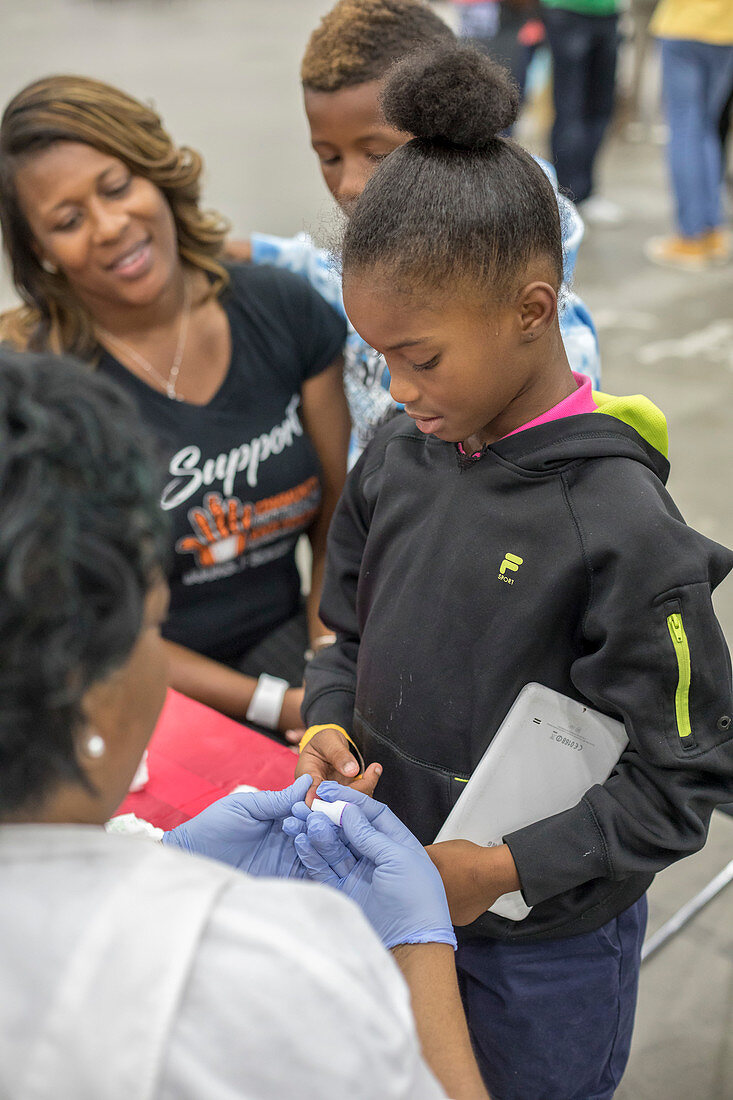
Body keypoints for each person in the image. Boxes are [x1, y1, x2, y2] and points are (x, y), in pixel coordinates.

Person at [295, 43, 733, 1099]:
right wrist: (324, 720)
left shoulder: (623, 529)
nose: (398, 390)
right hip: (389, 896)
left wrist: (499, 870)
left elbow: (684, 780)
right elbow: (344, 628)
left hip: (542, 960)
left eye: (423, 357)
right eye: (381, 357)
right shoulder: (398, 453)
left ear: (532, 310)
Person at [0, 346, 489, 1100]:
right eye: (152, 631)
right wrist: (417, 949)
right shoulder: (249, 976)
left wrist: (167, 856)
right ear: (86, 692)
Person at [0, 76, 351, 740]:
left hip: (292, 647)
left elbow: (337, 516)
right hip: (131, 690)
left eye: (116, 187)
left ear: (157, 174)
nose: (109, 227)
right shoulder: (46, 398)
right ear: (41, 251)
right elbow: (91, 624)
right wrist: (276, 706)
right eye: (67, 222)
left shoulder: (280, 309)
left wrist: (326, 668)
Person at [238, 0, 600, 466]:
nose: (348, 186)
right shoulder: (388, 260)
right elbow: (324, 269)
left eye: (377, 154)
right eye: (329, 157)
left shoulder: (552, 346)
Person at [645, 0, 733, 270]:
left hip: (683, 27)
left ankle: (690, 237)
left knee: (685, 129)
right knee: (705, 127)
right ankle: (711, 231)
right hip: (725, 31)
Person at [539, 0, 624, 224]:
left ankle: (585, 193)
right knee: (570, 111)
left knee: (600, 110)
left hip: (608, 13)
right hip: (568, 12)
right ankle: (566, 199)